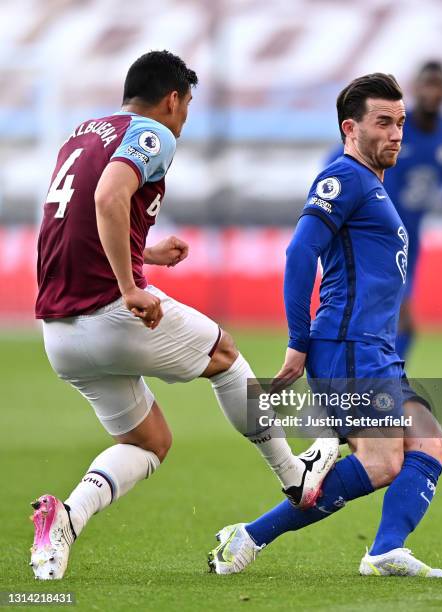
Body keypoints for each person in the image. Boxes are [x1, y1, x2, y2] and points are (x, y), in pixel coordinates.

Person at [31, 50, 338, 580]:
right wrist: (130, 285)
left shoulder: (81, 133)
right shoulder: (154, 133)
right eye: (186, 106)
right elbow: (109, 197)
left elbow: (78, 216)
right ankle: (295, 476)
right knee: (224, 354)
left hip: (59, 333)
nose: (185, 119)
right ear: (172, 99)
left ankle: (63, 524)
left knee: (149, 442)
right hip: (109, 311)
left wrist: (144, 254)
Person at [208, 73, 442, 578]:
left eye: (401, 123)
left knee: (430, 443)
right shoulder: (342, 178)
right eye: (383, 122)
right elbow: (300, 252)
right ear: (350, 128)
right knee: (383, 461)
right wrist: (298, 342)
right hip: (347, 345)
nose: (396, 133)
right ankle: (252, 536)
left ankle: (381, 547)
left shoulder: (374, 188)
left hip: (376, 348)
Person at [324, 61, 442, 361]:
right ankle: (372, 385)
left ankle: (362, 385)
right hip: (376, 236)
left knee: (394, 323)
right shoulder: (393, 129)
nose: (432, 92)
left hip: (410, 240)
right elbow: (337, 157)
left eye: (437, 85)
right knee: (398, 320)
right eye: (426, 84)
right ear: (415, 89)